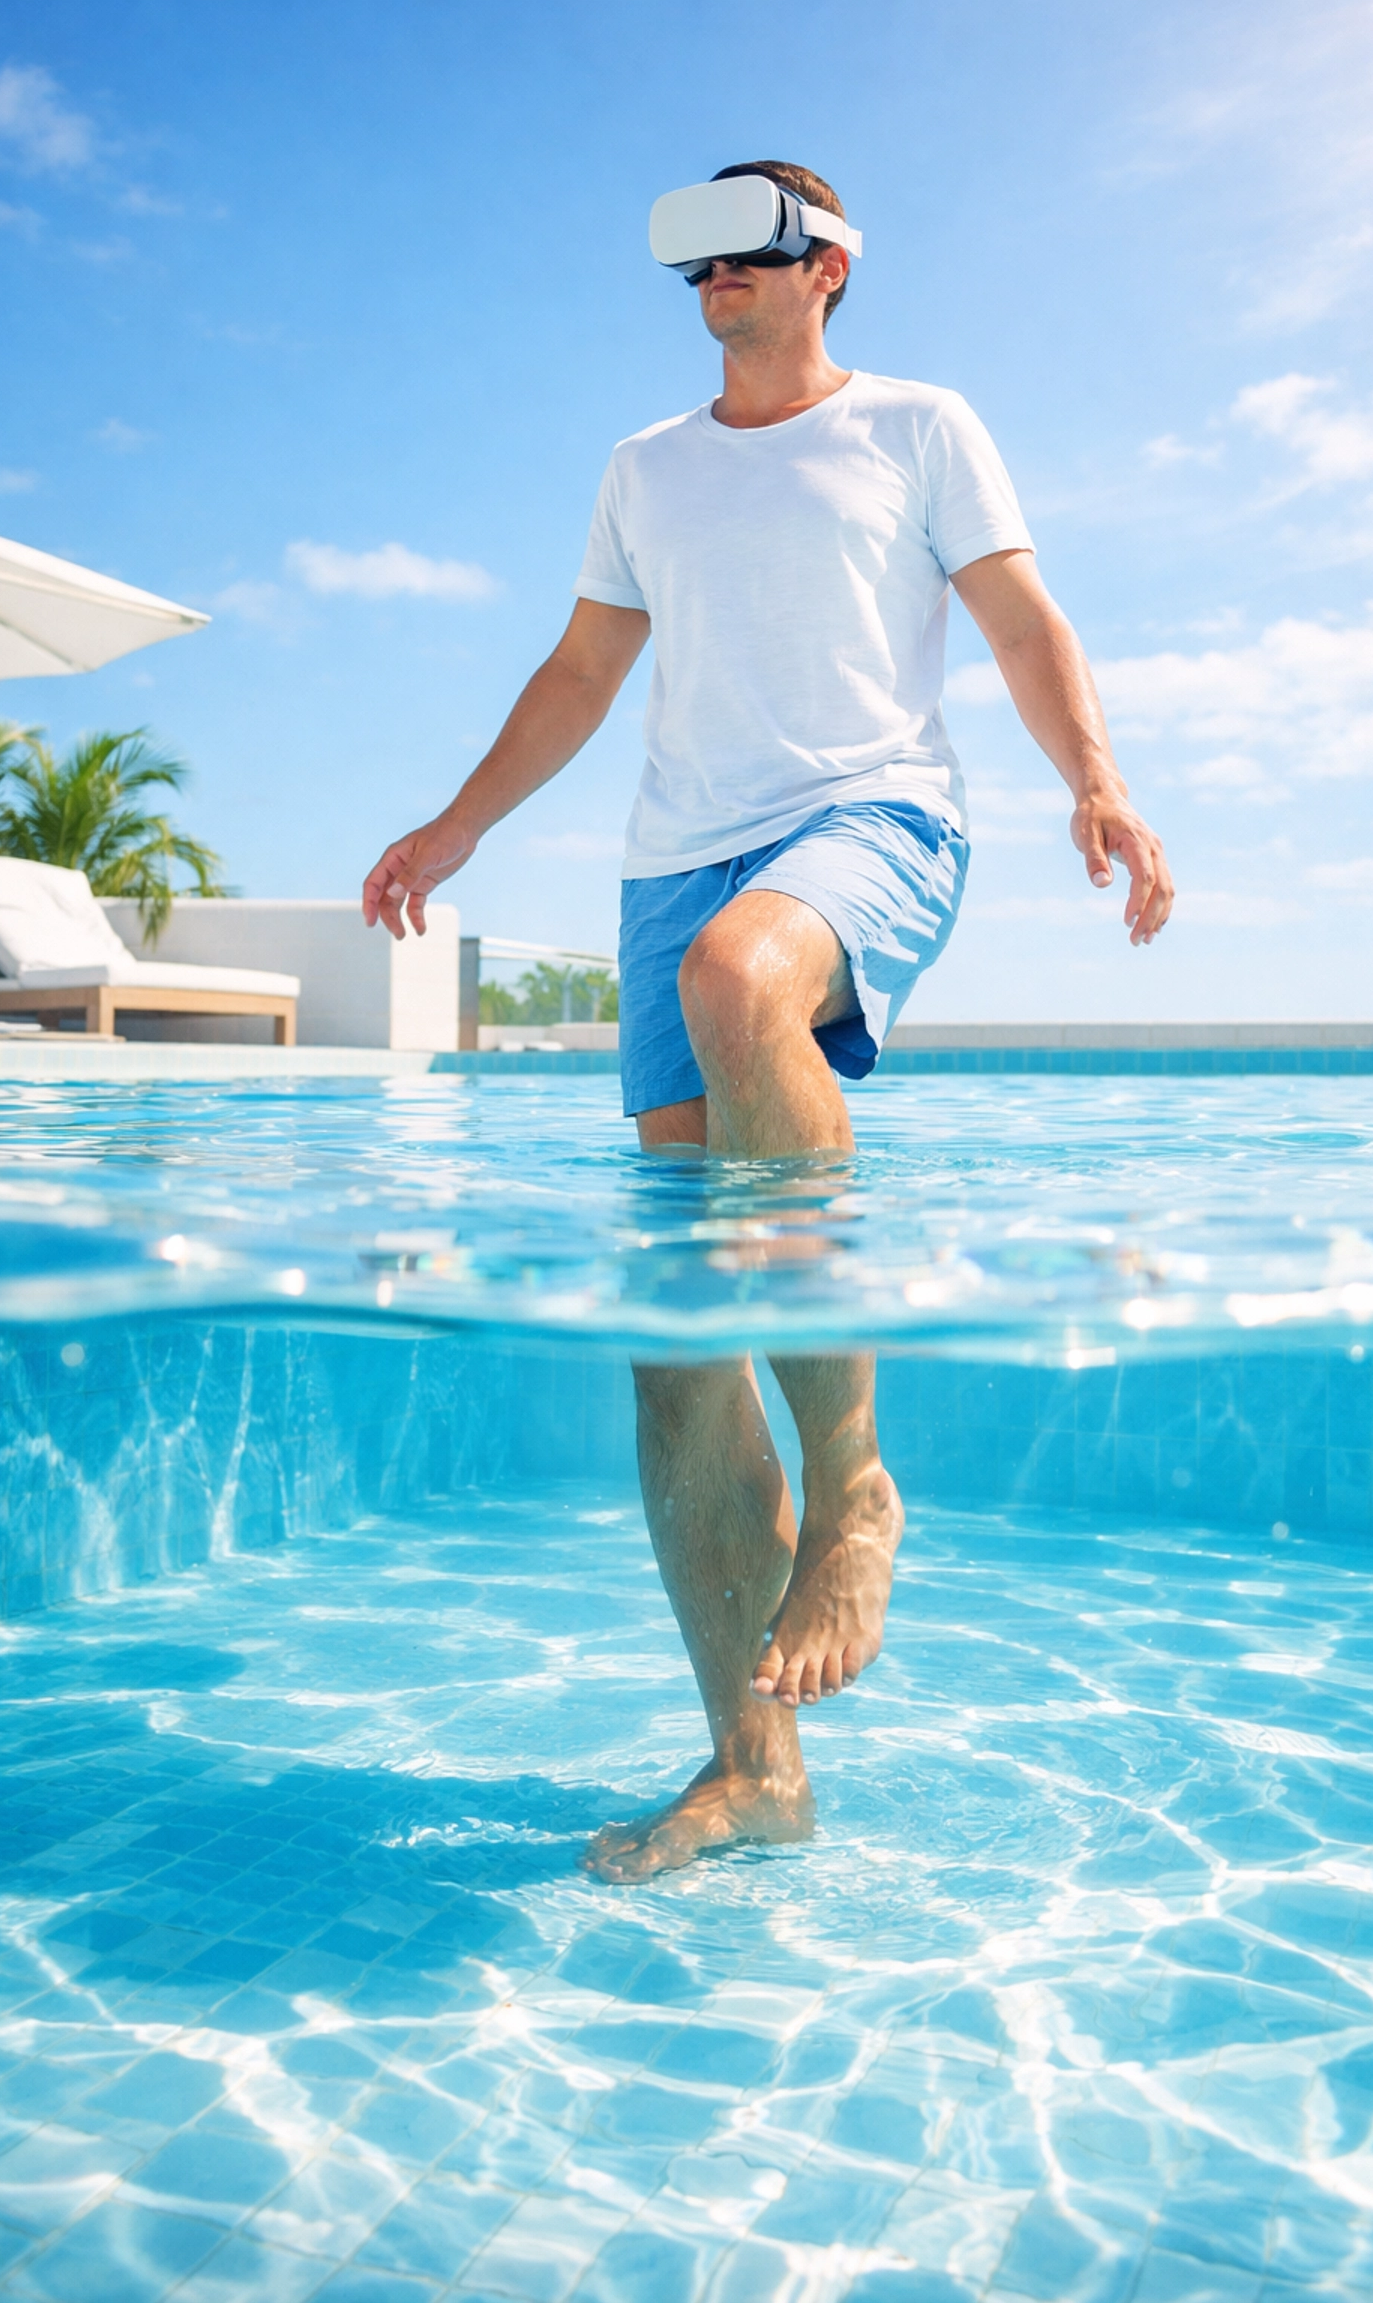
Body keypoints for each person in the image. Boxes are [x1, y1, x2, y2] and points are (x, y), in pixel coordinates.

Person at [363, 160, 1174, 1883]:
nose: (717, 272)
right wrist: (456, 826)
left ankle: (859, 1482)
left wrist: (1096, 779)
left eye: (753, 239)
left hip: (875, 818)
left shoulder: (921, 426)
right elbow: (581, 672)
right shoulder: (643, 468)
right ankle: (755, 1770)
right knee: (677, 1346)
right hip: (675, 864)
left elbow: (1021, 619)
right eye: (696, 253)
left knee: (741, 980)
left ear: (830, 265)